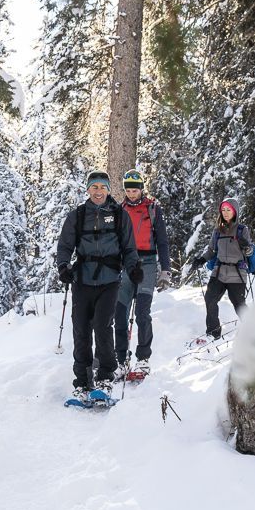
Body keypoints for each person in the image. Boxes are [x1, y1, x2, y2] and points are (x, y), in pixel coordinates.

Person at [55, 171, 142, 401]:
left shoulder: (119, 215)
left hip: (109, 280)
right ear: (88, 190)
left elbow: (129, 248)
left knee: (103, 328)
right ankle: (82, 383)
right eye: (94, 187)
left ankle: (105, 379)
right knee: (81, 330)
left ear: (108, 190)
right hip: (82, 280)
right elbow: (65, 245)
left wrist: (133, 267)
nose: (98, 191)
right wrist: (63, 266)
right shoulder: (78, 215)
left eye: (102, 187)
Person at [113, 169, 174, 375]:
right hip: (125, 264)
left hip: (147, 262)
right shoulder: (119, 210)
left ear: (141, 189)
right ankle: (121, 359)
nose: (131, 194)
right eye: (128, 190)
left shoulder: (153, 209)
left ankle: (143, 358)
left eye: (135, 190)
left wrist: (165, 270)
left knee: (142, 312)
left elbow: (163, 242)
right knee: (120, 313)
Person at [202, 199, 253, 340]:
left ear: (235, 211)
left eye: (228, 210)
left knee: (239, 304)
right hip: (219, 272)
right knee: (210, 299)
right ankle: (213, 333)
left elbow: (249, 253)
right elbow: (211, 250)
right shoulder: (217, 231)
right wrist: (201, 259)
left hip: (237, 273)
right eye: (223, 210)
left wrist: (246, 246)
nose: (225, 213)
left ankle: (254, 330)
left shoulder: (243, 230)